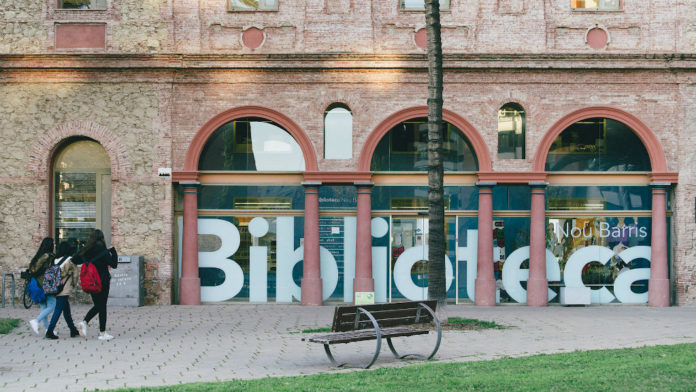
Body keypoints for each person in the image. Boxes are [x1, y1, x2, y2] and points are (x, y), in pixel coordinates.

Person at [71, 229, 118, 340]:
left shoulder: (86, 250)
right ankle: (101, 332)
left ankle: (85, 322)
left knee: (98, 305)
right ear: (101, 238)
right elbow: (114, 264)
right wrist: (113, 252)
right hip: (103, 282)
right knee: (102, 306)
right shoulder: (103, 250)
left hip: (90, 281)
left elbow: (75, 259)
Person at [45, 242, 80, 339]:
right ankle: (50, 330)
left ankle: (73, 329)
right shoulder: (70, 260)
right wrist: (73, 285)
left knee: (66, 310)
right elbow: (75, 275)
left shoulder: (55, 260)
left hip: (56, 287)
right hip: (65, 288)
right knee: (58, 309)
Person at [27, 238, 56, 336]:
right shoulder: (48, 256)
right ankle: (36, 320)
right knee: (52, 305)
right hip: (45, 284)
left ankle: (47, 329)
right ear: (49, 245)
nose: (55, 245)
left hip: (39, 283)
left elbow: (33, 269)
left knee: (44, 306)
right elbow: (37, 269)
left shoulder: (40, 255)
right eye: (53, 243)